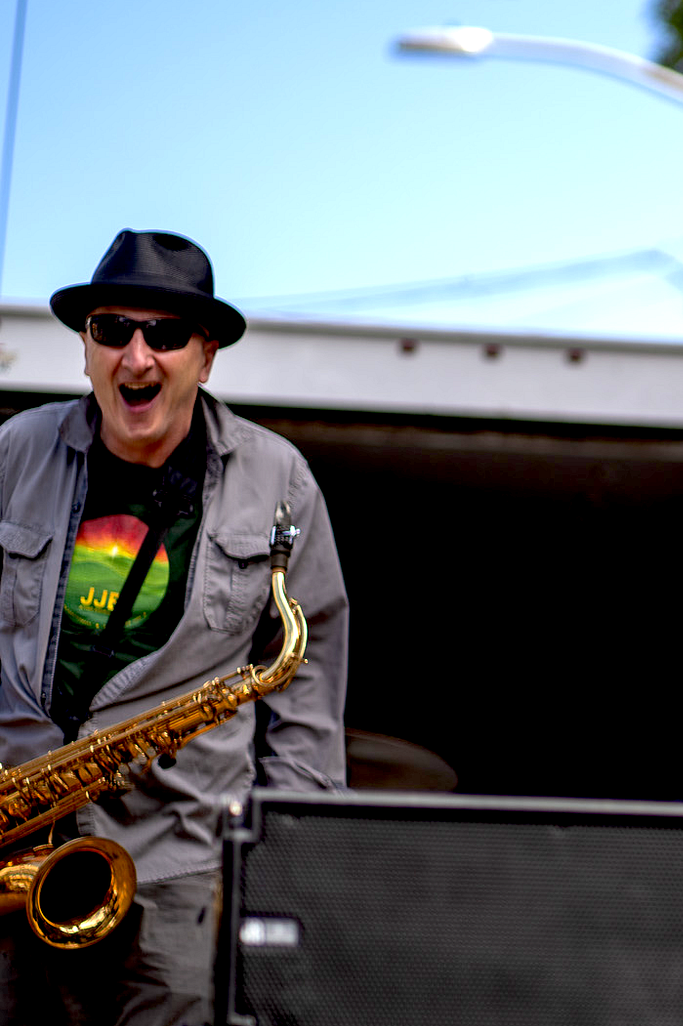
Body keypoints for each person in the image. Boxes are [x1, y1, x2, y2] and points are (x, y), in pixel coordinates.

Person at [0, 230, 349, 1026]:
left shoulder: (279, 479)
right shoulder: (15, 453)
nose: (136, 357)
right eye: (112, 330)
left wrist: (282, 866)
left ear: (206, 355)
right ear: (85, 347)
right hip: (14, 848)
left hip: (180, 867)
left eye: (164, 334)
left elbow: (308, 696)